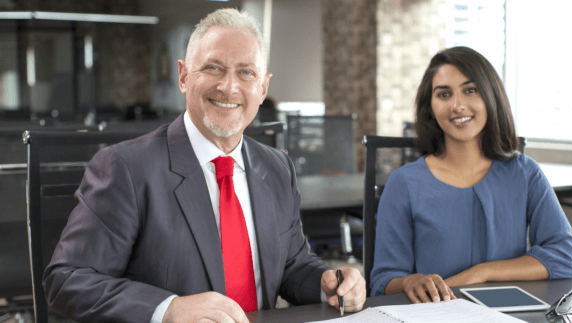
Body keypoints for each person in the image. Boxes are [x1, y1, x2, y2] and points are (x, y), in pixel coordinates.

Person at [43, 8, 365, 323]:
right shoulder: (126, 169)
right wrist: (168, 310)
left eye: (246, 72)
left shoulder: (278, 168)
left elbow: (291, 265)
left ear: (263, 88)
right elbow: (68, 280)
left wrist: (329, 284)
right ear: (183, 76)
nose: (228, 87)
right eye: (213, 67)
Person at [370, 46, 572, 303]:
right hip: (438, 315)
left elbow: (565, 256)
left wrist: (481, 273)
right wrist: (409, 281)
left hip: (508, 314)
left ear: (490, 97)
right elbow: (383, 282)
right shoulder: (403, 183)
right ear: (430, 108)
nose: (457, 105)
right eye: (444, 94)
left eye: (470, 90)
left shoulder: (525, 173)